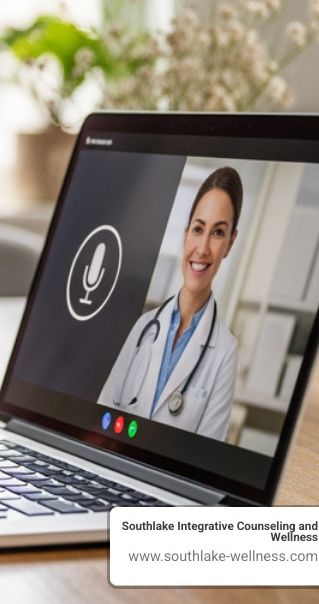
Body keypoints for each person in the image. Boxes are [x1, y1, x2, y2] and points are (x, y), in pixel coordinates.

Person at [98, 167, 241, 439]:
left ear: (230, 244)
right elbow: (103, 412)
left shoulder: (225, 352)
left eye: (218, 233)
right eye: (198, 229)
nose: (202, 248)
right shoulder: (144, 327)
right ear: (186, 233)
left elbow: (205, 456)